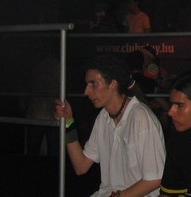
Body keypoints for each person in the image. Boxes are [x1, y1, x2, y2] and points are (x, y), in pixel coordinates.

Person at [54, 54, 166, 197]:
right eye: (87, 84)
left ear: (113, 84)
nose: (86, 91)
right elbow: (81, 166)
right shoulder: (103, 117)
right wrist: (68, 123)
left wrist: (120, 196)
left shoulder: (141, 118)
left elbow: (155, 179)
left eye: (93, 84)